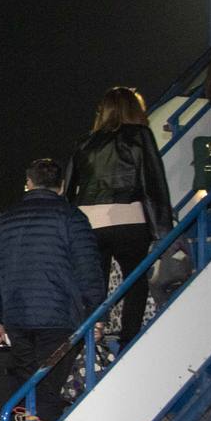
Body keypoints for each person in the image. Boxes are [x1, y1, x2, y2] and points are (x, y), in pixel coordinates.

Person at [0, 159, 105, 421]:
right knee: (49, 386)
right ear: (61, 186)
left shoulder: (3, 221)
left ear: (28, 183)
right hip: (59, 318)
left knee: (26, 383)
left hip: (17, 317)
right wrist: (95, 313)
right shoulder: (72, 217)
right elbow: (89, 271)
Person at [63, 87, 172, 348]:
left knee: (94, 284)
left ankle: (93, 334)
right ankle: (129, 339)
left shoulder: (85, 142)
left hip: (89, 222)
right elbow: (153, 181)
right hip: (128, 218)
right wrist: (163, 229)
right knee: (134, 281)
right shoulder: (139, 135)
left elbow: (68, 188)